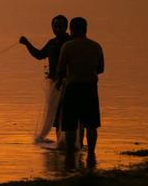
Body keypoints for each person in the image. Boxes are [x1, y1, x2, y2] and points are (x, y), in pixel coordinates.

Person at [55, 17, 104, 165]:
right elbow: (101, 69)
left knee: (70, 125)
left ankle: (70, 156)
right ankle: (91, 155)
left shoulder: (68, 47)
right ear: (86, 29)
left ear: (71, 29)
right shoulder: (96, 46)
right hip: (90, 88)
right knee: (91, 124)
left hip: (73, 87)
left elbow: (60, 69)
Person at [20, 14, 71, 143]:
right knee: (55, 113)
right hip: (54, 82)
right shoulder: (52, 42)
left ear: (66, 27)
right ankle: (61, 142)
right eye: (55, 26)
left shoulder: (70, 42)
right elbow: (39, 55)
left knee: (65, 112)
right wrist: (27, 44)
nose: (57, 28)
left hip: (67, 83)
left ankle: (68, 141)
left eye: (60, 26)